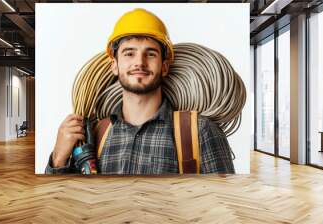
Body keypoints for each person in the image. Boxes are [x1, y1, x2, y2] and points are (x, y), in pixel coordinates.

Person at [45, 8, 235, 175]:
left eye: (150, 53)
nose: (140, 62)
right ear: (114, 66)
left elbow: (224, 203)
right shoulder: (96, 133)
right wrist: (59, 157)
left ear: (164, 66)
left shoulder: (200, 131)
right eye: (129, 53)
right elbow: (65, 202)